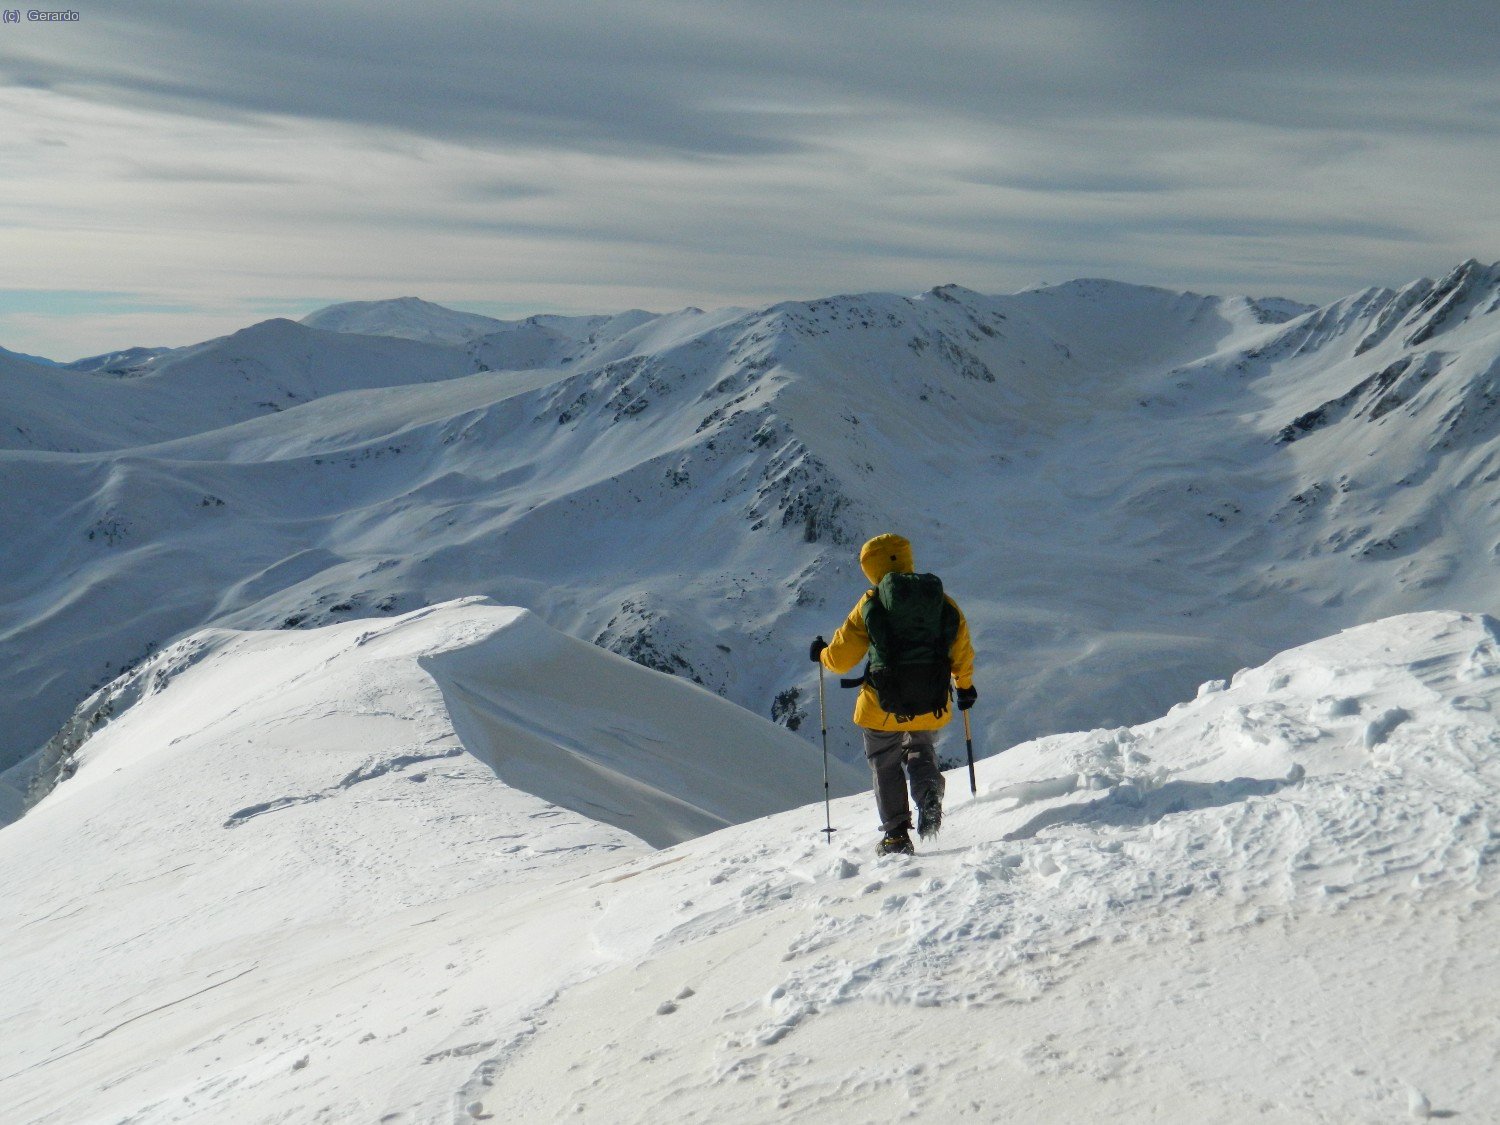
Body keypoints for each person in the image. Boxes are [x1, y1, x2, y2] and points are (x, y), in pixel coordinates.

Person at [810, 533, 976, 856]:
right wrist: (965, 686)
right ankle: (928, 789)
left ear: (870, 567)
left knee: (885, 762)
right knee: (920, 746)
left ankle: (896, 835)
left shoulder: (871, 603)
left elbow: (842, 658)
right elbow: (961, 647)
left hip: (882, 704)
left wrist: (822, 655)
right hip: (930, 699)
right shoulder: (940, 601)